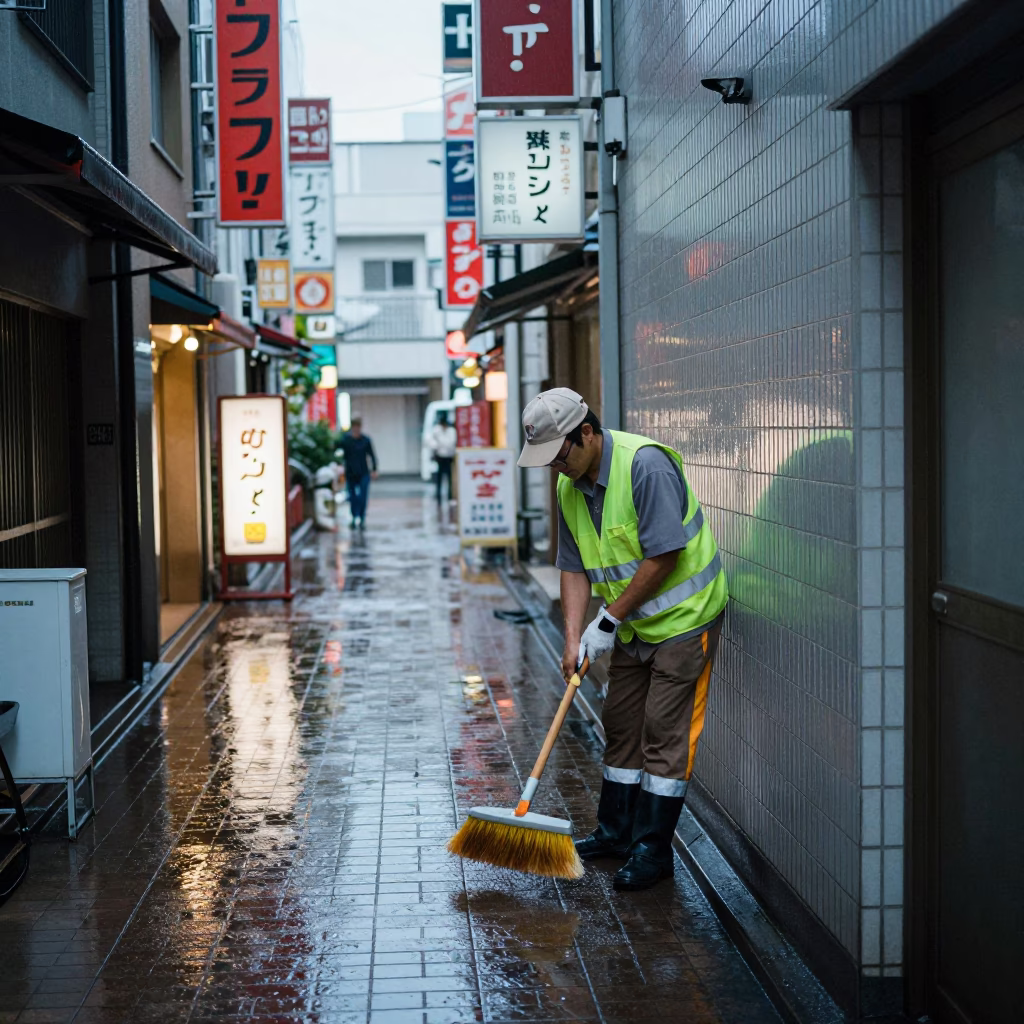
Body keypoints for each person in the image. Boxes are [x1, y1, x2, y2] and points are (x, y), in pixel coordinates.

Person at [517, 388, 728, 891]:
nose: (555, 468)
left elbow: (665, 555)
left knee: (663, 732)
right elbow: (572, 568)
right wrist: (574, 639)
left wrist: (608, 620)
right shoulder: (570, 488)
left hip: (685, 619)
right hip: (632, 626)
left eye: (559, 454)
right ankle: (615, 833)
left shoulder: (645, 467)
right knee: (621, 723)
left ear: (586, 432)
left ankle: (652, 851)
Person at [338, 416, 378, 529]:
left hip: (363, 472)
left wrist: (374, 469)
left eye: (358, 426)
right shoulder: (346, 440)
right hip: (350, 472)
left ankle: (362, 517)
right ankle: (354, 516)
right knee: (352, 496)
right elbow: (339, 453)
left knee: (363, 496)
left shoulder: (365, 440)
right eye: (354, 426)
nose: (356, 429)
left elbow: (372, 455)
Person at [429, 412, 457, 504]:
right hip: (440, 457)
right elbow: (432, 443)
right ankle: (438, 497)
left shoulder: (452, 431)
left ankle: (450, 497)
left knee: (449, 477)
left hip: (449, 456)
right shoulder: (436, 430)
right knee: (439, 478)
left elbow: (451, 443)